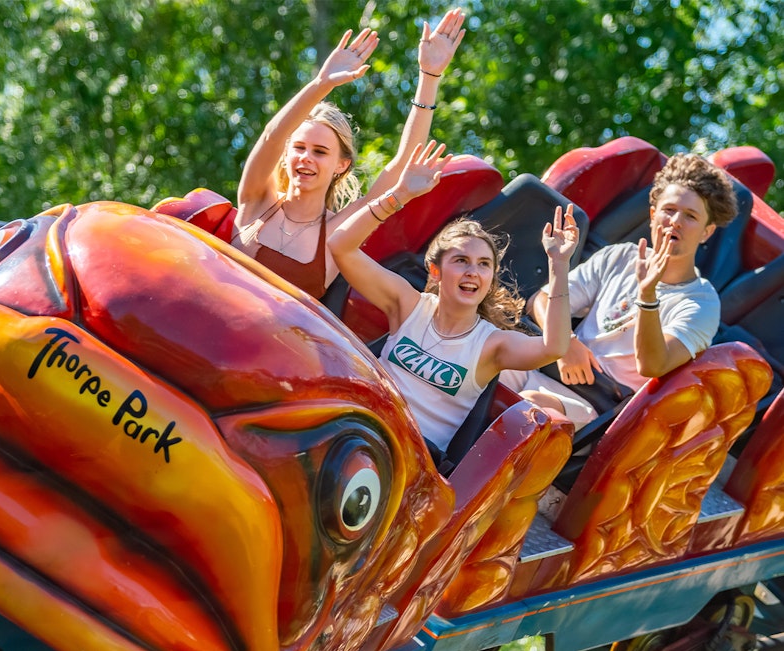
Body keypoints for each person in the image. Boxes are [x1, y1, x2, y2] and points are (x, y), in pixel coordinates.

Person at [327, 140, 580, 455]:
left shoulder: (491, 345)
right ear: (435, 271)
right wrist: (400, 194)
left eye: (483, 265)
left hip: (411, 457)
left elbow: (554, 347)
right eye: (461, 261)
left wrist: (558, 263)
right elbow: (340, 246)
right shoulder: (408, 306)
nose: (473, 271)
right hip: (356, 424)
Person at [233, 9, 466, 299]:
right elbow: (271, 136)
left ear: (341, 165)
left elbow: (402, 165)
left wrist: (430, 77)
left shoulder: (338, 229)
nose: (306, 157)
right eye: (299, 147)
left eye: (320, 152)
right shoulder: (256, 200)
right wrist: (322, 84)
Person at [518, 153, 739, 425]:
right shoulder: (620, 257)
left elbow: (653, 365)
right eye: (669, 210)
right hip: (553, 366)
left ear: (707, 232)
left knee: (529, 406)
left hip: (599, 408)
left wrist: (648, 297)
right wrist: (566, 341)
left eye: (691, 216)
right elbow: (539, 301)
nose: (676, 221)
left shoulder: (701, 302)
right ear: (653, 214)